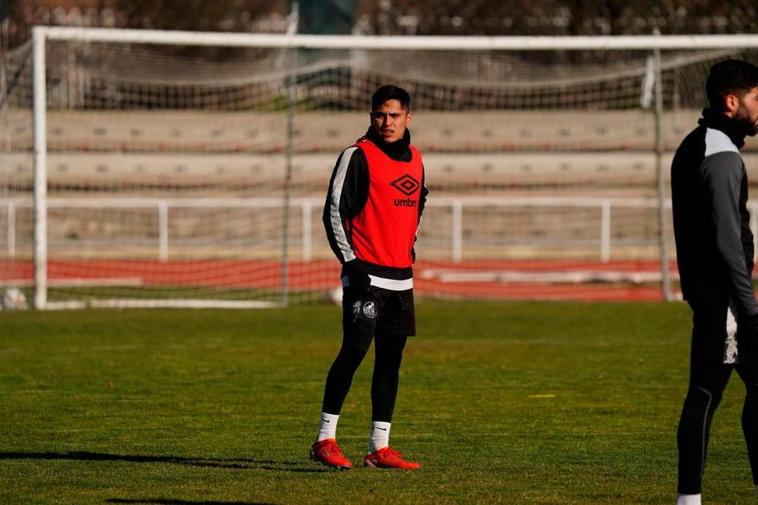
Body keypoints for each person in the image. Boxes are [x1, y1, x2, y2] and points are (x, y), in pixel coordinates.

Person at [310, 85, 428, 470]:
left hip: (400, 279)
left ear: (408, 118)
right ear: (371, 115)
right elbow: (332, 211)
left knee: (390, 362)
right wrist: (351, 262)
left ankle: (380, 448)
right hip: (365, 276)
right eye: (380, 114)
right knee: (355, 351)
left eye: (395, 115)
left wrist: (408, 248)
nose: (387, 122)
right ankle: (324, 439)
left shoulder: (416, 159)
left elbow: (418, 206)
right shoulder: (357, 155)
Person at [671, 59, 758, 505]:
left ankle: (690, 498)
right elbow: (728, 241)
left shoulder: (697, 144)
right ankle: (689, 498)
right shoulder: (720, 154)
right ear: (731, 102)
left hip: (713, 297)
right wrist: (749, 306)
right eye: (756, 98)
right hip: (726, 301)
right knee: (705, 394)